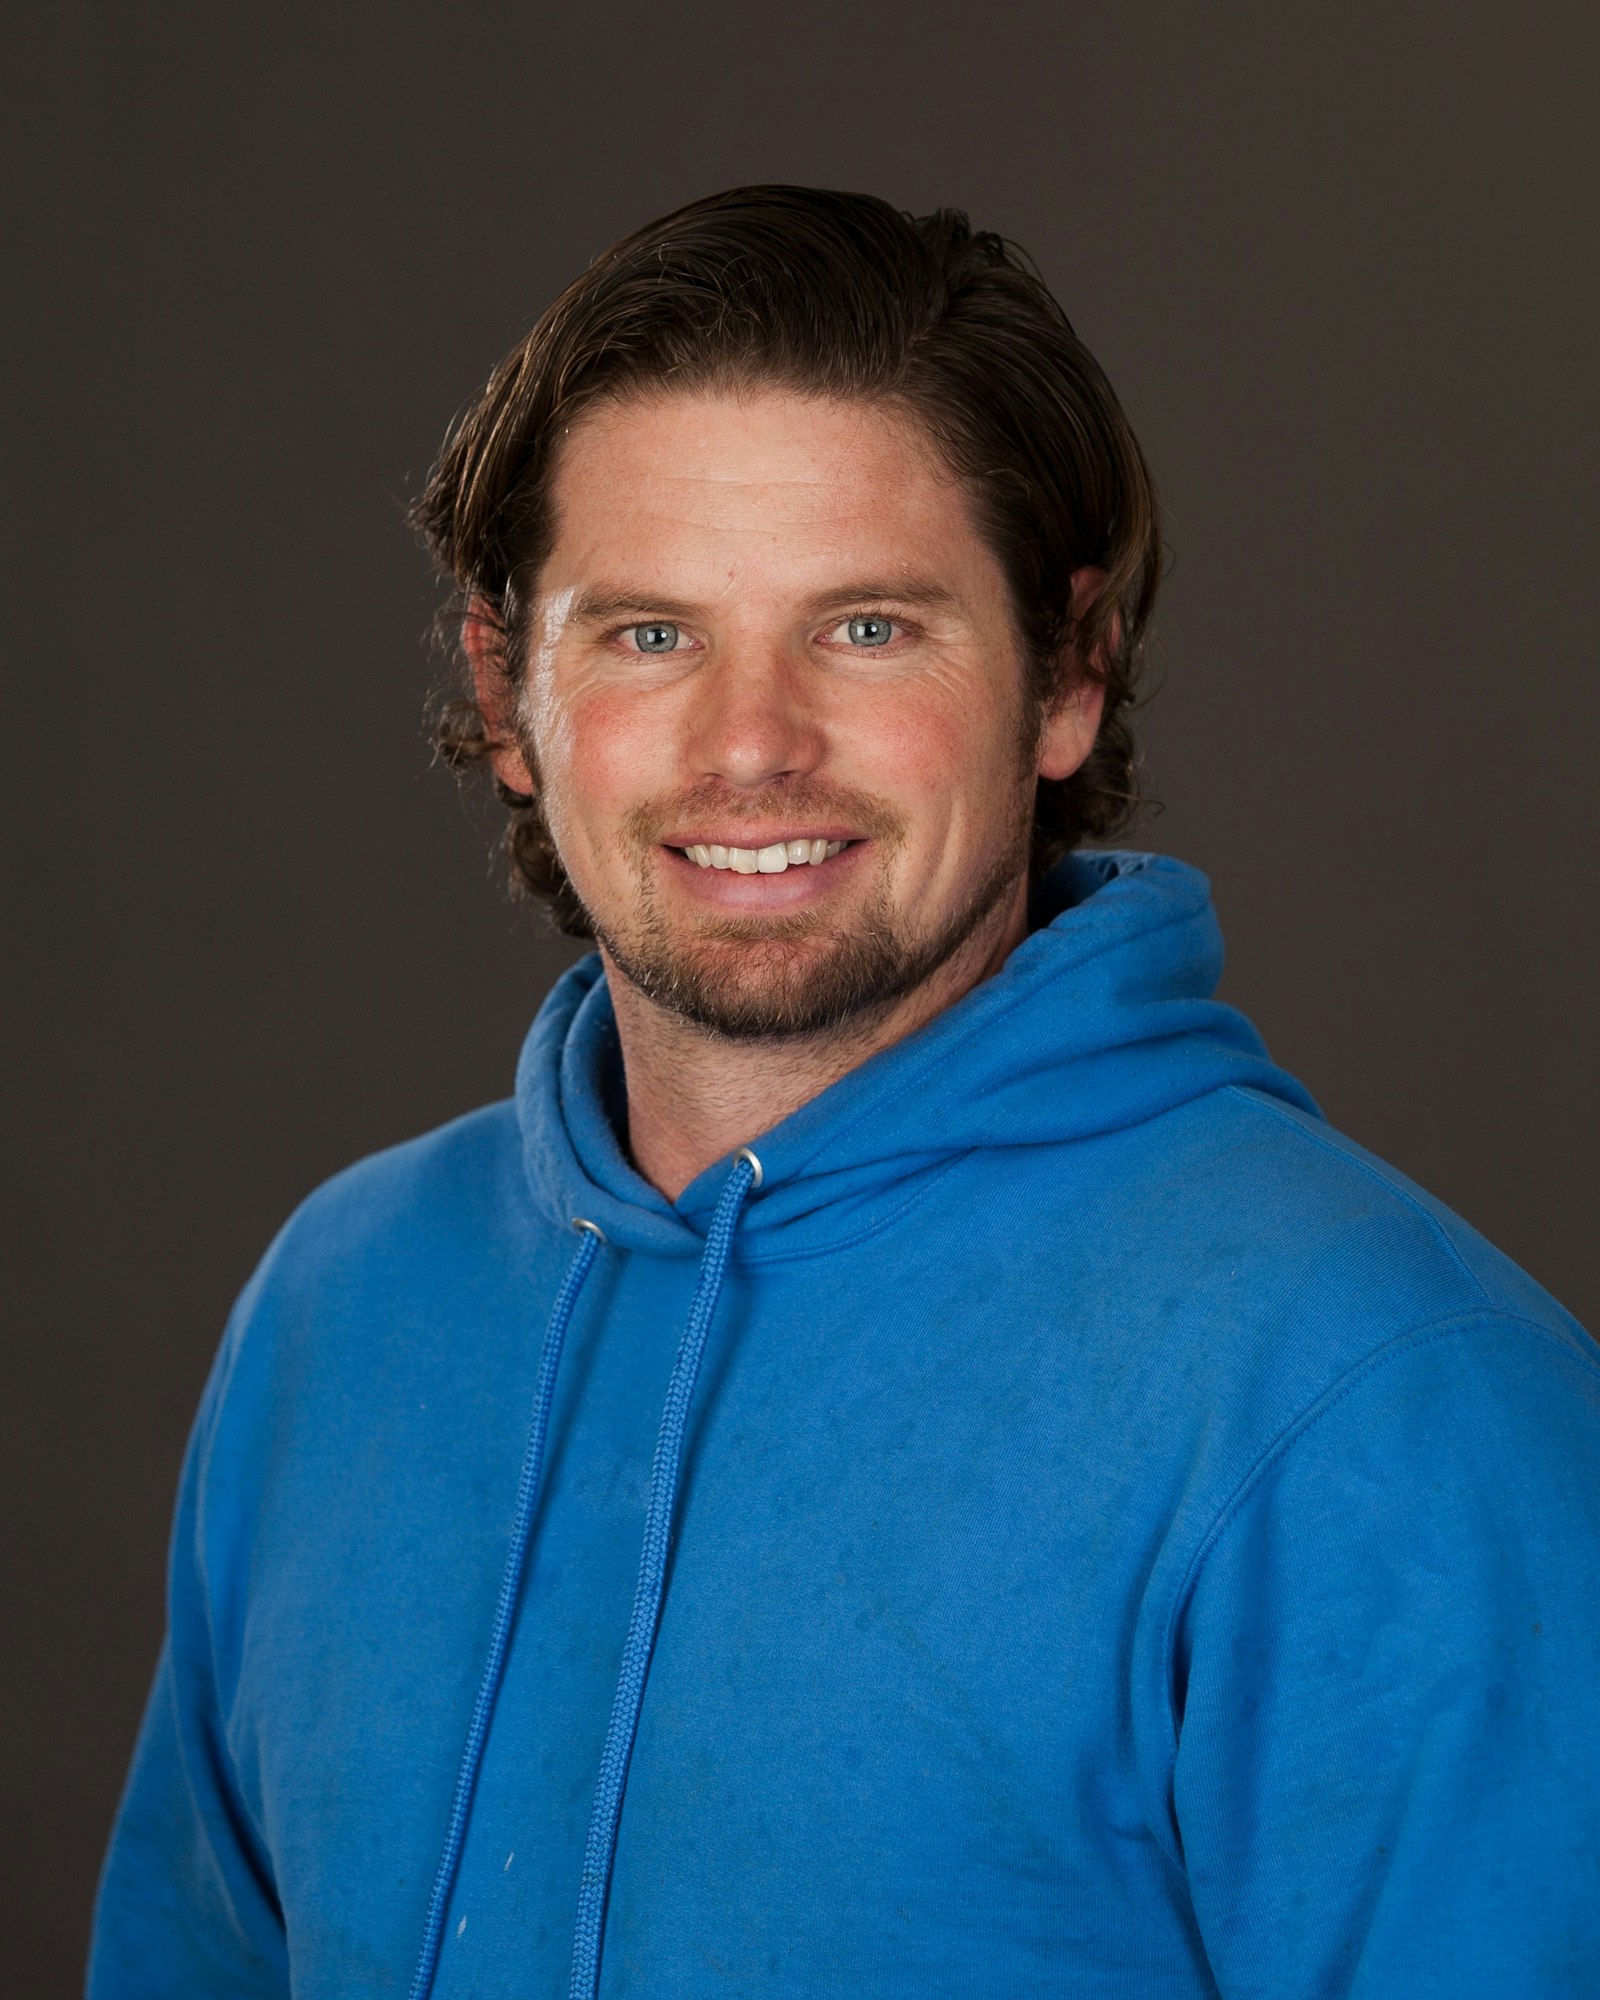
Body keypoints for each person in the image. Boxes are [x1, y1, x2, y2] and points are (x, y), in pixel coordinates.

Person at [89, 185, 1600, 1999]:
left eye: (869, 629)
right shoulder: (341, 1307)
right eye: (649, 634)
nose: (751, 743)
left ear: (1069, 675)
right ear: (509, 694)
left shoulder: (1387, 1400)